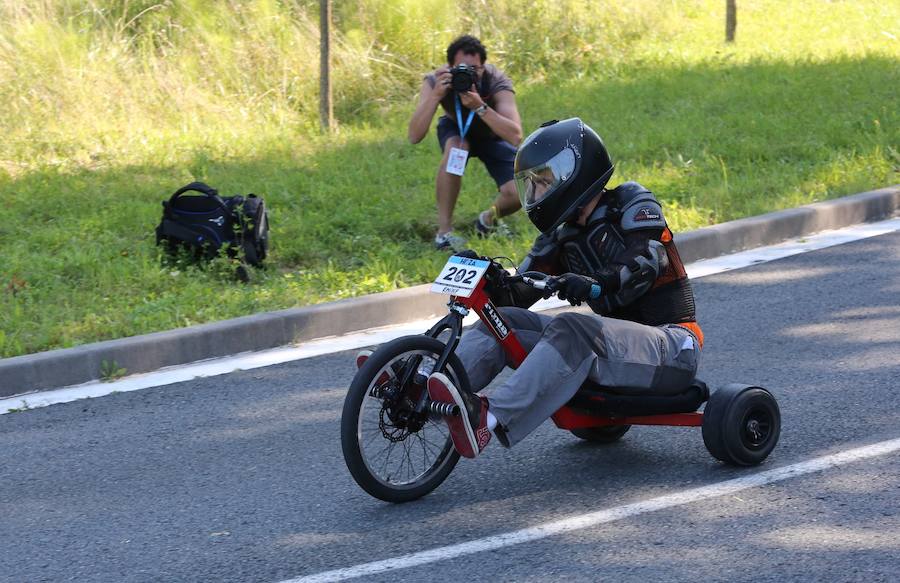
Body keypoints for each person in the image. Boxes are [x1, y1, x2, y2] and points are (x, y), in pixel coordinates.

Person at [424, 118, 705, 457]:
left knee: (573, 327)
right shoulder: (561, 235)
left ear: (575, 172)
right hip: (612, 350)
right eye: (532, 185)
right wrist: (491, 279)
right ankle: (423, 391)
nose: (535, 194)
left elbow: (645, 259)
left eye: (542, 182)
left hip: (672, 346)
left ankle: (490, 418)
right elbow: (517, 295)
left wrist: (594, 284)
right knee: (505, 321)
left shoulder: (630, 203)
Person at [408, 35, 524, 251]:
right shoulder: (436, 80)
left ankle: (487, 220)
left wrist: (480, 107)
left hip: (491, 132)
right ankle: (444, 233)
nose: (468, 74)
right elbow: (414, 136)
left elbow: (516, 136)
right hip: (456, 130)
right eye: (461, 68)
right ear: (449, 67)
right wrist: (435, 96)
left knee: (519, 192)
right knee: (456, 151)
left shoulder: (496, 81)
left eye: (474, 69)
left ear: (484, 67)